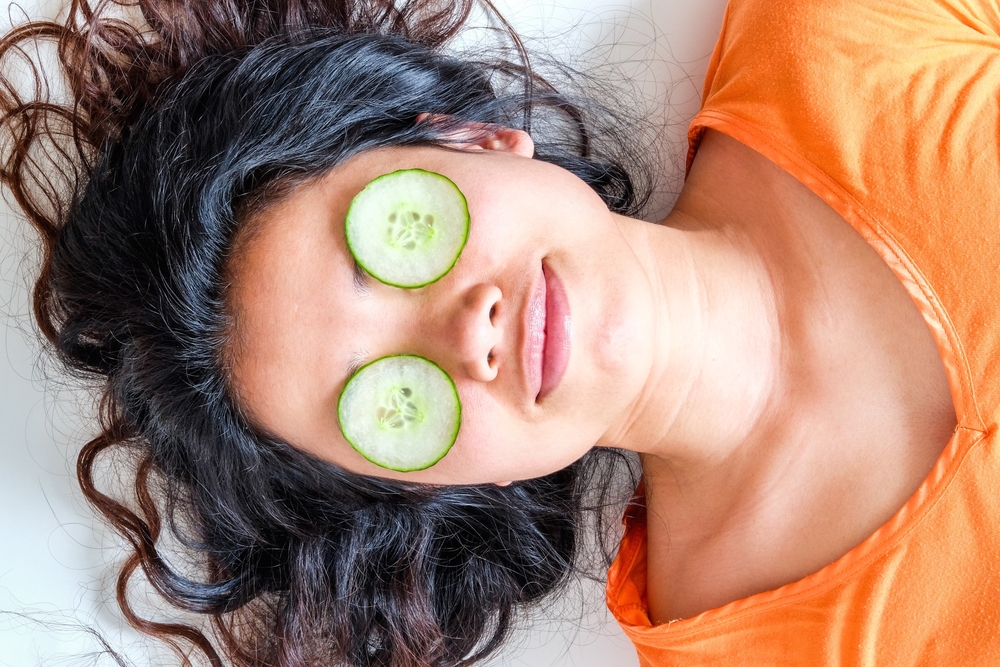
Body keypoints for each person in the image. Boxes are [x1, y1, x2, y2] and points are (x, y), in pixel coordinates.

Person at [0, 0, 997, 666]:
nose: (465, 330)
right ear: (430, 485)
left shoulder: (840, 32)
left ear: (470, 139)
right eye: (389, 397)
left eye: (402, 239)